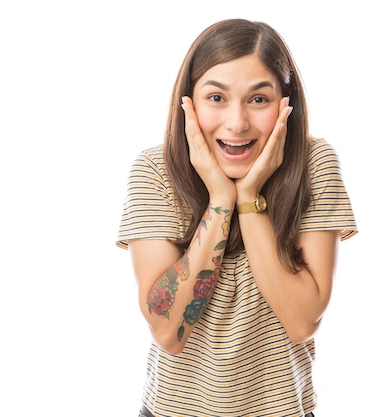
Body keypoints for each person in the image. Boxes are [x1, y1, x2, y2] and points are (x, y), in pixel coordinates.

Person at [116, 18, 357, 417]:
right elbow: (167, 330)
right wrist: (220, 201)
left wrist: (248, 199)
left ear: (285, 103)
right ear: (189, 102)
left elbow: (301, 320)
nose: (237, 123)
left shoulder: (313, 164)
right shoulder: (155, 170)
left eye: (258, 99)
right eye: (217, 98)